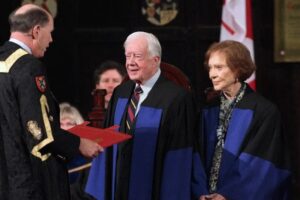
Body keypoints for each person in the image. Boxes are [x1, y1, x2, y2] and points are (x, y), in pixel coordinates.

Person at [86, 31, 207, 199]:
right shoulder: (120, 93)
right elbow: (107, 144)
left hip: (154, 190)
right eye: (128, 56)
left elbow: (180, 156)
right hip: (118, 186)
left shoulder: (176, 99)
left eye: (138, 56)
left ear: (155, 60)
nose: (131, 63)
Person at [0, 4, 102, 200]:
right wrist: (79, 143)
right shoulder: (28, 67)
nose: (51, 39)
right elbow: (38, 131)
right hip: (27, 182)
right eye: (50, 32)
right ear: (36, 31)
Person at [199, 40, 291, 200]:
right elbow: (196, 155)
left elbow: (261, 164)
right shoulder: (207, 109)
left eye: (219, 67)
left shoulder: (263, 111)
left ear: (237, 70)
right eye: (210, 67)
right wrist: (199, 190)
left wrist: (227, 194)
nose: (211, 74)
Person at [59, 102, 96, 200]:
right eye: (60, 124)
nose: (64, 128)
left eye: (69, 124)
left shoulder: (87, 161)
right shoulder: (47, 158)